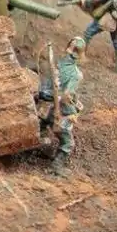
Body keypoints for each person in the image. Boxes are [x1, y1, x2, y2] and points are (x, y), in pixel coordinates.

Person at [39, 37, 85, 177]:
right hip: (58, 108)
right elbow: (66, 96)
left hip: (45, 102)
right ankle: (56, 166)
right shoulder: (76, 74)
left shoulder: (59, 63)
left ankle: (42, 146)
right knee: (68, 143)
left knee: (42, 126)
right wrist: (73, 111)